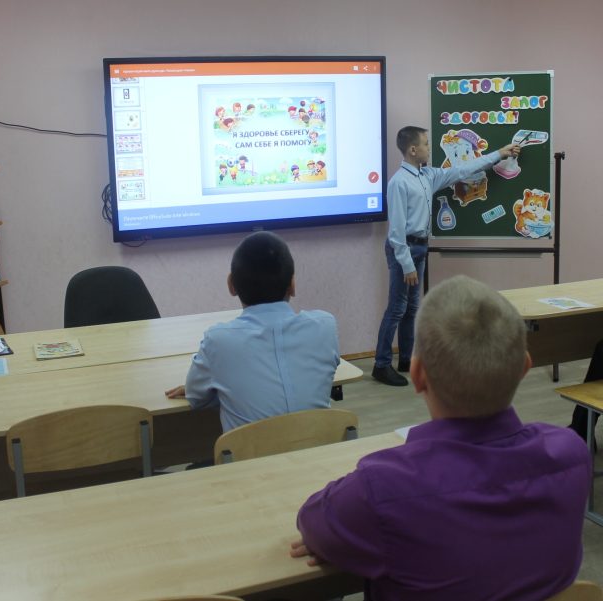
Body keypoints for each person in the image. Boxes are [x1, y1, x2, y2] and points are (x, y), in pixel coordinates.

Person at [292, 275, 590, 601]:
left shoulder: (380, 490)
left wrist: (339, 532)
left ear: (418, 375)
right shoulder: (572, 454)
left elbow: (312, 521)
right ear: (525, 368)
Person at [372, 126, 520, 386]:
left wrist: (499, 153)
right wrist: (406, 264)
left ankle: (406, 359)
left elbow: (463, 169)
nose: (429, 148)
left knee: (412, 308)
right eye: (426, 144)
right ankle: (381, 365)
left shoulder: (427, 175)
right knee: (397, 308)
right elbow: (395, 232)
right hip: (404, 249)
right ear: (413, 149)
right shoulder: (399, 183)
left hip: (420, 247)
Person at [165, 231, 340, 433]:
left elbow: (196, 398)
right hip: (322, 450)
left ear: (231, 286)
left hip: (252, 454)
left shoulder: (218, 341)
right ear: (292, 285)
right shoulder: (325, 326)